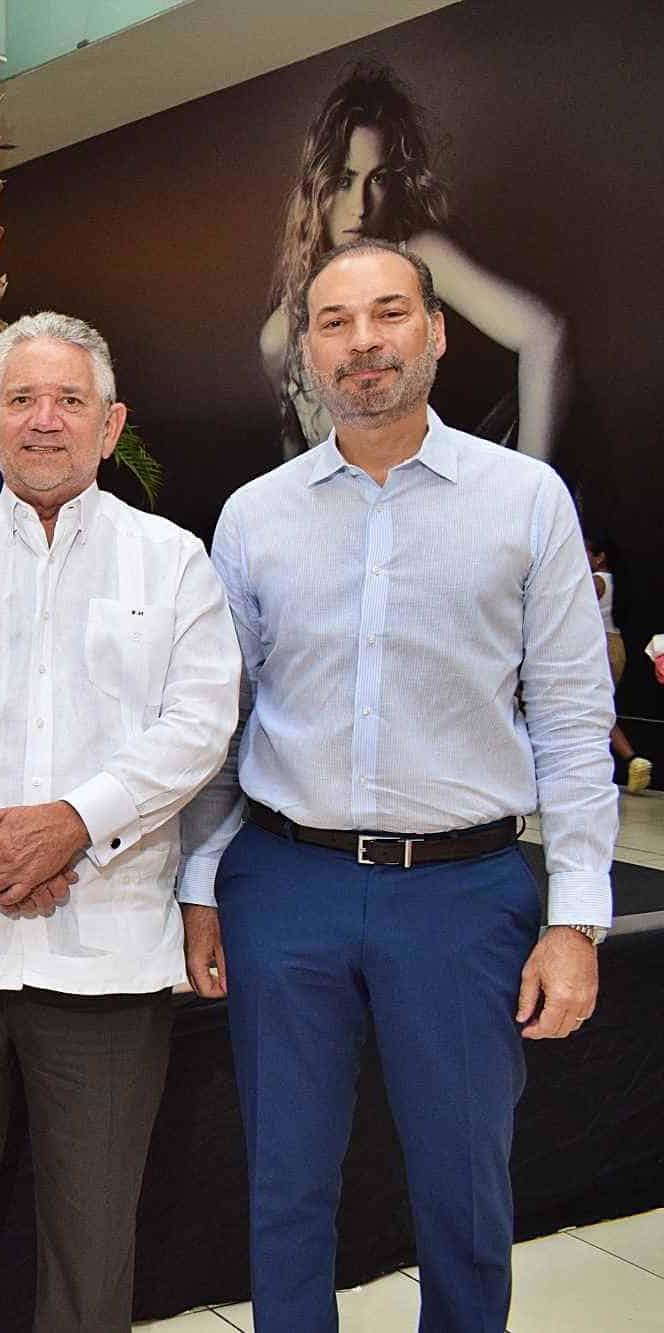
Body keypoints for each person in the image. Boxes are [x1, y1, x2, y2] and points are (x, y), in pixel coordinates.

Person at [181, 239, 615, 1332]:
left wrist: (575, 916)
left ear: (432, 332)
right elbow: (216, 722)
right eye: (334, 321)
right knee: (284, 1180)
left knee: (463, 1185)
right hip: (284, 883)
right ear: (308, 350)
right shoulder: (253, 515)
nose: (362, 341)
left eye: (386, 315)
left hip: (462, 894)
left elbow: (570, 718)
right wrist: (196, 880)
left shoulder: (523, 502)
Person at [0, 311, 240, 1332]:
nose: (43, 420)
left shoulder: (173, 564)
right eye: (19, 399)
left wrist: (74, 823)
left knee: (88, 1252)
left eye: (68, 400)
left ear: (108, 425)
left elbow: (198, 720)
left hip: (106, 960)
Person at [261, 63, 568, 460]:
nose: (360, 206)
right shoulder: (277, 336)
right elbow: (296, 465)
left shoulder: (419, 255)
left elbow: (547, 334)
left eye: (379, 178)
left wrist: (531, 492)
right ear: (316, 187)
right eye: (343, 180)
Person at [589, 534, 650, 793]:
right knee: (599, 708)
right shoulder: (618, 583)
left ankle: (628, 760)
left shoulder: (595, 582)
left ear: (600, 557)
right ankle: (631, 761)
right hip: (616, 645)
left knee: (592, 709)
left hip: (597, 646)